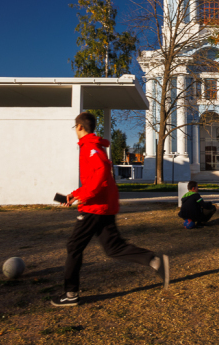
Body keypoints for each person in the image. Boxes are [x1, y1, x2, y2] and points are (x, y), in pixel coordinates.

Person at [52, 112, 170, 307]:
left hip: (95, 208)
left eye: (75, 128)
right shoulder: (93, 146)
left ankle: (70, 294)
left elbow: (100, 177)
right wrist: (74, 195)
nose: (75, 131)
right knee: (113, 248)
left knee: (74, 246)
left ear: (80, 127)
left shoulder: (90, 147)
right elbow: (94, 179)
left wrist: (84, 196)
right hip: (102, 206)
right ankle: (155, 261)